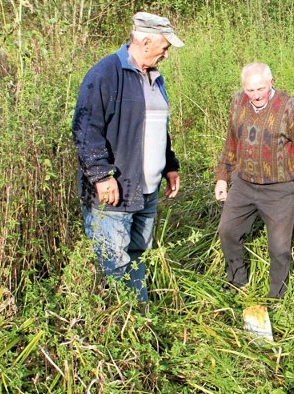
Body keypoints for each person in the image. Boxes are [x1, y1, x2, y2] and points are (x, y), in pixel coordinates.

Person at [71, 12, 184, 303]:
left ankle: (139, 316)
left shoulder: (155, 78)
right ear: (145, 41)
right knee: (115, 263)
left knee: (137, 255)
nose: (166, 54)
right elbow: (86, 129)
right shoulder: (106, 73)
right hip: (116, 193)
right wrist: (101, 175)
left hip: (147, 191)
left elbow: (157, 128)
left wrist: (169, 165)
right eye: (165, 47)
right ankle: (118, 328)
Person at [214, 63, 294, 299]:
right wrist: (222, 177)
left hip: (279, 189)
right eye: (250, 90)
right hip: (243, 184)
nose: (256, 95)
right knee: (227, 231)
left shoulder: (291, 109)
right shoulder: (238, 102)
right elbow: (231, 141)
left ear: (271, 82)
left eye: (260, 88)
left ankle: (277, 297)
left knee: (279, 248)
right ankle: (236, 280)